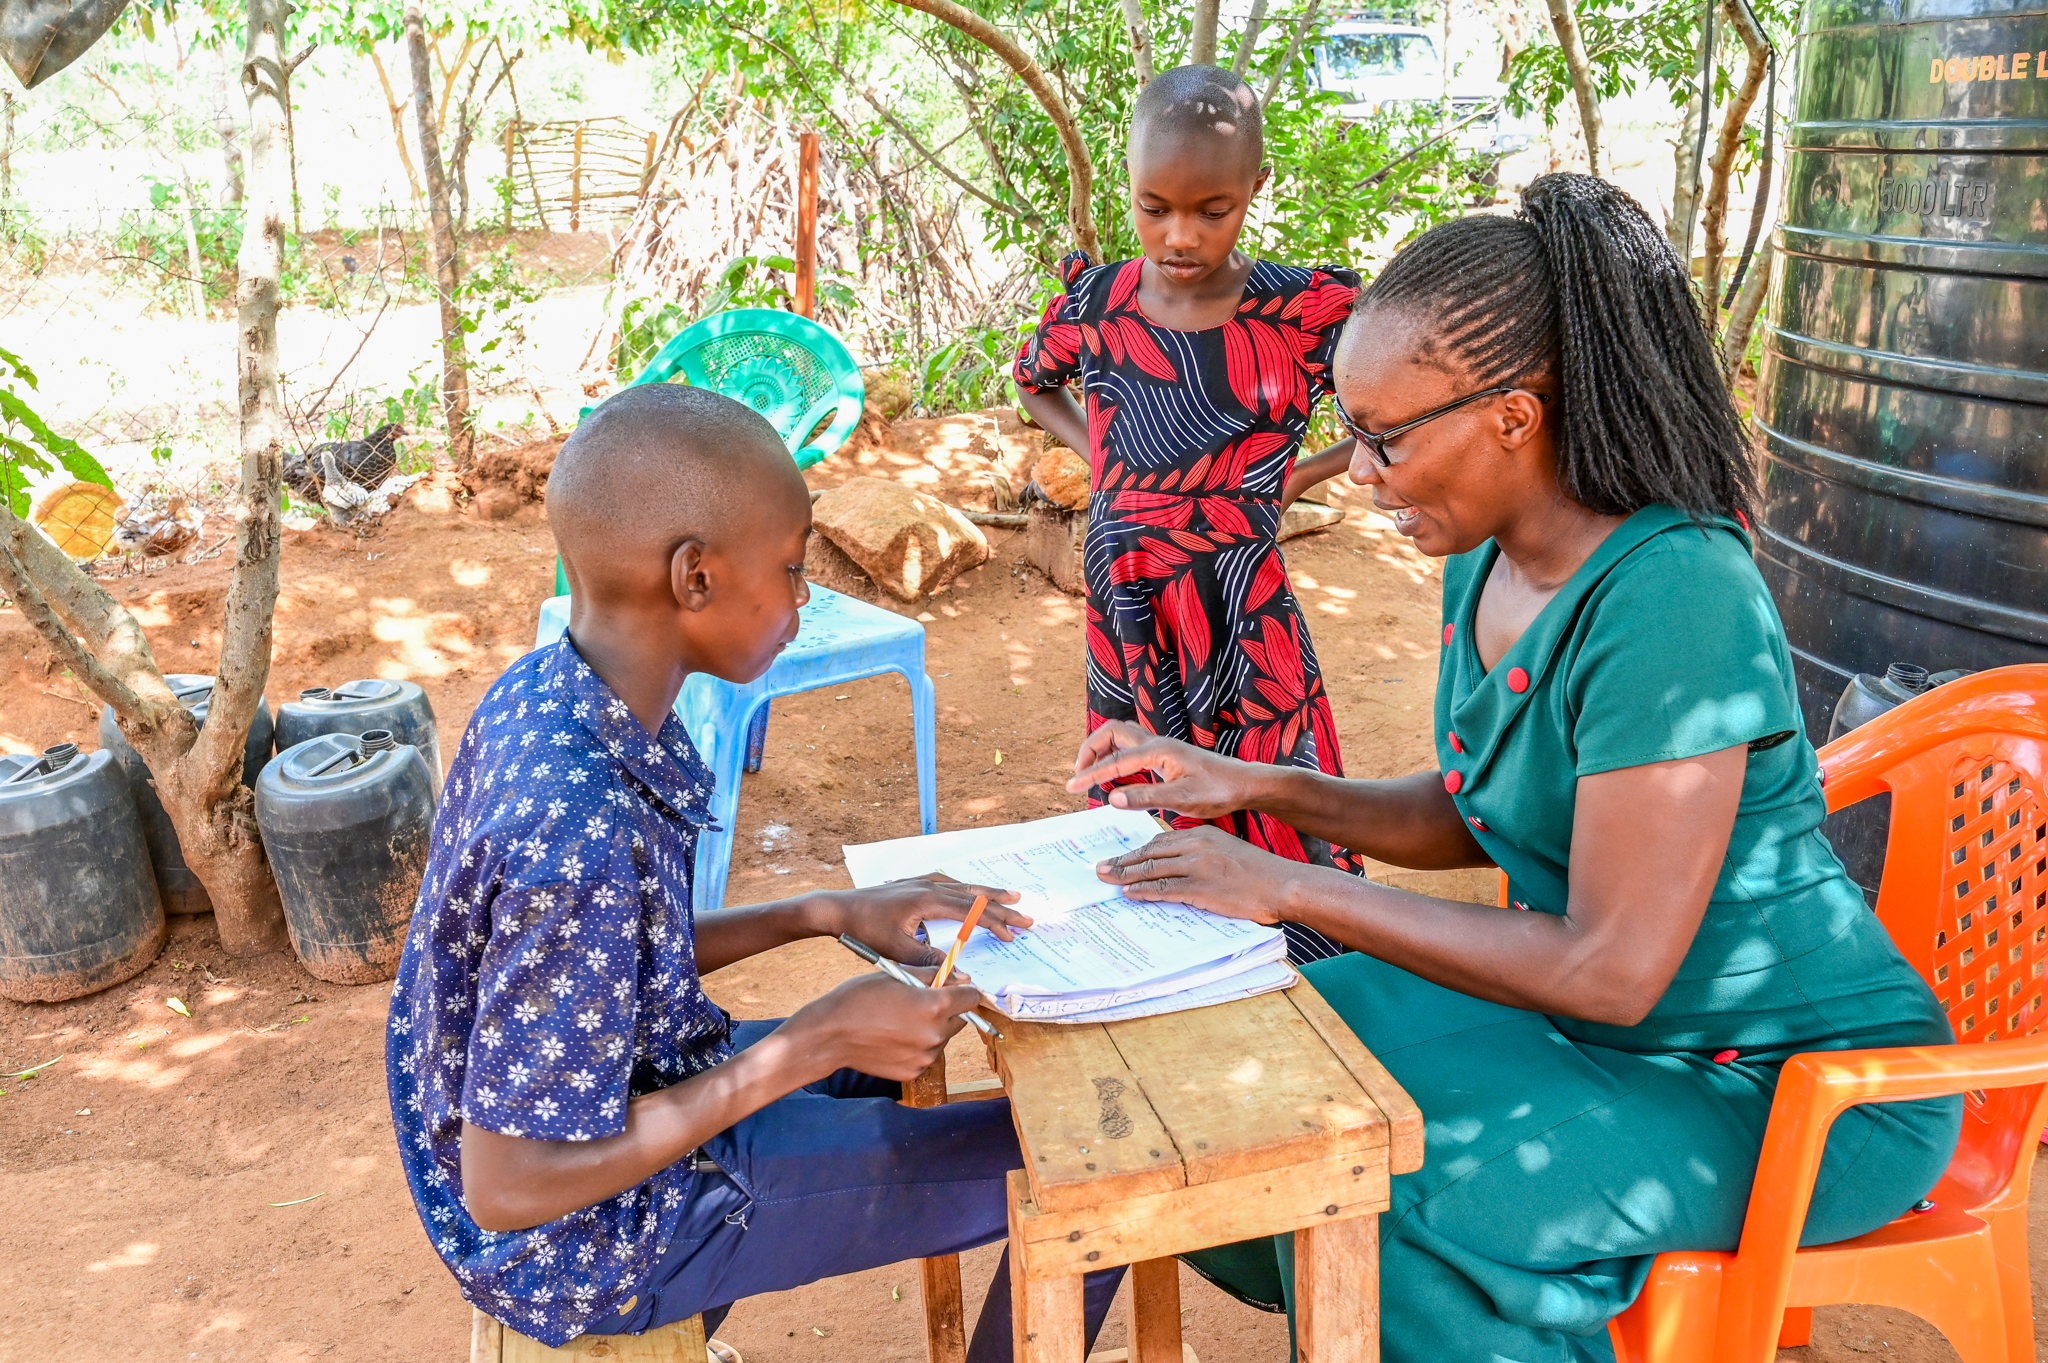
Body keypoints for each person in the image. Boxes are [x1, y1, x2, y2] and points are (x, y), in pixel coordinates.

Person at [1063, 174, 1962, 1363]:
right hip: (1601, 1037)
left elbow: (1606, 966)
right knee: (1254, 1092)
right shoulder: (1481, 562)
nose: (1360, 473)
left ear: (1514, 416)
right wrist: (1252, 783)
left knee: (1392, 1198)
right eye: (1351, 433)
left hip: (1795, 1088)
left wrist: (1286, 886)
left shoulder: (1672, 595)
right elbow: (1476, 813)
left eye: (1385, 439)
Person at [384, 384, 1123, 1358]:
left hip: (618, 1105)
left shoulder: (552, 692)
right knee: (1094, 1175)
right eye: (789, 566)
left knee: (907, 1059)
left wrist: (824, 912)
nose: (802, 595)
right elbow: (511, 1184)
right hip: (588, 1235)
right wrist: (802, 1048)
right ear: (693, 577)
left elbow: (611, 954)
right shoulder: (570, 824)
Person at [1014, 63, 1363, 964]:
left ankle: (1318, 967)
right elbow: (1033, 380)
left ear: (1256, 188)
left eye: (1213, 210)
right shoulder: (1099, 301)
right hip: (1128, 596)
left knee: (1278, 780)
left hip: (1241, 601)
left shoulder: (1302, 314)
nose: (1180, 235)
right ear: (1128, 190)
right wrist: (1109, 454)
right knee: (1144, 790)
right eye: (1154, 207)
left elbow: (1387, 417)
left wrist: (1296, 475)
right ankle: (1171, 971)